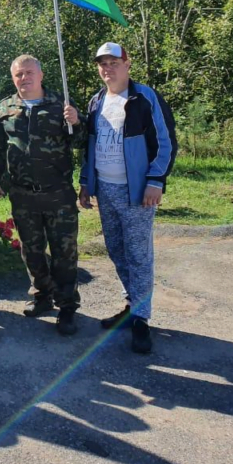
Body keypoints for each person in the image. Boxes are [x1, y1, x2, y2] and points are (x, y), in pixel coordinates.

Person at [79, 42, 177, 355]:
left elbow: (166, 142)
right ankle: (131, 305)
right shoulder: (96, 101)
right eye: (102, 64)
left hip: (136, 191)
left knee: (139, 255)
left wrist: (155, 180)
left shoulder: (144, 97)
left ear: (127, 63)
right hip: (105, 189)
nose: (108, 68)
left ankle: (141, 321)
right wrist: (86, 183)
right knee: (116, 250)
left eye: (113, 62)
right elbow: (89, 146)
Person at [0, 55, 85, 337]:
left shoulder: (61, 105)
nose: (24, 78)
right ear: (13, 78)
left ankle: (67, 306)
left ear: (40, 75)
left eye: (29, 73)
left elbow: (81, 141)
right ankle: (42, 296)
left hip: (58, 193)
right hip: (23, 194)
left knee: (65, 252)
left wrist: (77, 122)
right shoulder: (4, 108)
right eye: (18, 74)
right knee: (31, 251)